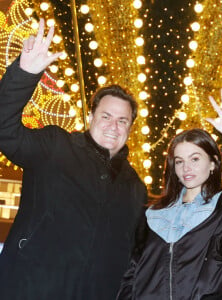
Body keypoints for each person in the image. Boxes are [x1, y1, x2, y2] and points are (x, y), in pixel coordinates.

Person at [0, 19, 147, 299]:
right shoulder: (55, 147)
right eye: (105, 116)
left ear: (129, 128)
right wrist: (24, 74)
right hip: (28, 289)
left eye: (122, 121)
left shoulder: (135, 188)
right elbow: (4, 130)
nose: (113, 126)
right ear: (91, 117)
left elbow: (136, 258)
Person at [117, 89, 222, 299]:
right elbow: (131, 278)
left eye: (195, 158)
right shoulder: (152, 216)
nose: (186, 167)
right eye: (179, 161)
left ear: (214, 164)